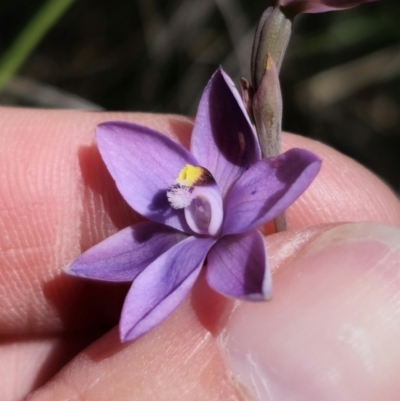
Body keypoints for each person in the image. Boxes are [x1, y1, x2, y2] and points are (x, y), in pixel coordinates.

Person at [1, 107, 399, 401]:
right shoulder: (166, 244)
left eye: (197, 182)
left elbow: (288, 174)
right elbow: (117, 279)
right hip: (179, 250)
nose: (189, 180)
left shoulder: (246, 218)